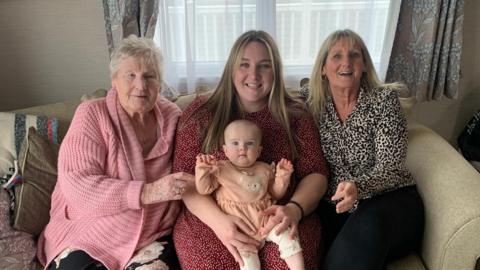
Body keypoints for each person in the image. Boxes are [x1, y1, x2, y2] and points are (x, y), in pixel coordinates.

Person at [173, 30, 329, 270]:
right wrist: (221, 224)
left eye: (264, 66)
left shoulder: (296, 116)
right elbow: (183, 181)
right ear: (231, 69)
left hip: (280, 216)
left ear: (275, 71)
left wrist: (294, 209)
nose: (253, 75)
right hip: (213, 218)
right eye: (244, 64)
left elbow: (316, 174)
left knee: (289, 263)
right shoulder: (200, 113)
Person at [37, 35, 194, 270]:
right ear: (114, 81)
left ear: (160, 83)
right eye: (130, 75)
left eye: (149, 76)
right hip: (88, 233)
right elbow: (78, 188)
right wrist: (148, 192)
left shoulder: (174, 117)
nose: (141, 86)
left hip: (151, 236)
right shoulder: (92, 115)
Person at [300, 29, 424, 270]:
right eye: (336, 56)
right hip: (335, 207)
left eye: (354, 55)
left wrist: (359, 187)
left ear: (364, 65)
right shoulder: (311, 102)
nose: (346, 62)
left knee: (368, 226)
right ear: (323, 68)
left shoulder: (384, 101)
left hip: (389, 202)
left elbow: (391, 167)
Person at [196, 119, 304, 270]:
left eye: (249, 144)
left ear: (259, 151)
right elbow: (203, 189)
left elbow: (275, 193)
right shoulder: (220, 169)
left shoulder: (265, 169)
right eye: (235, 143)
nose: (242, 148)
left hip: (266, 222)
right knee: (248, 264)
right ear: (225, 150)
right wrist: (202, 170)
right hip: (241, 229)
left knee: (289, 237)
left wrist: (282, 177)